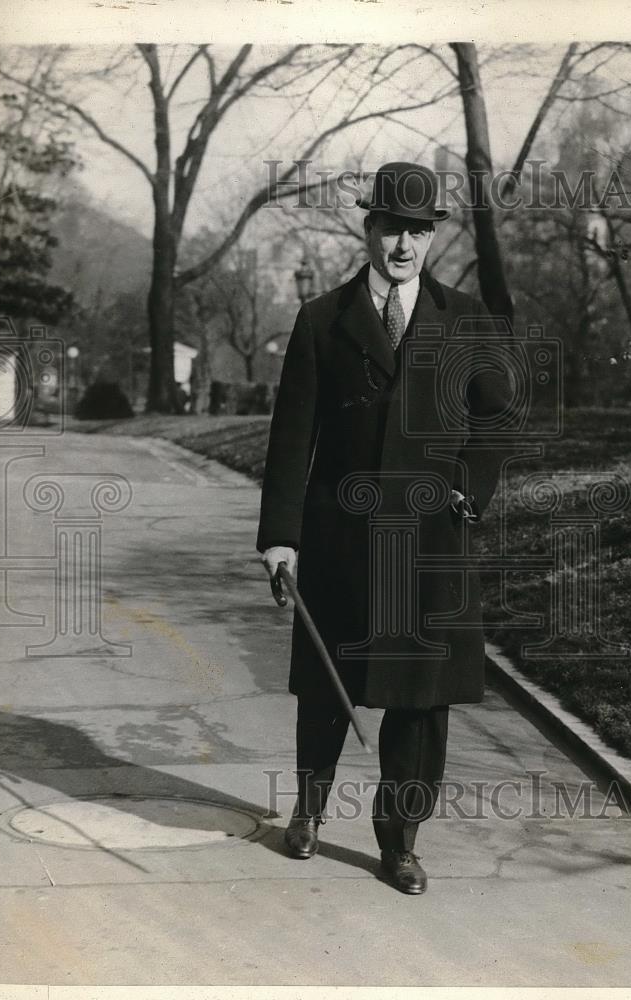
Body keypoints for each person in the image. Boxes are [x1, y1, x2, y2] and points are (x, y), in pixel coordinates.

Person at [257, 161, 512, 895]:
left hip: (431, 544)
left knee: (419, 702)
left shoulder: (465, 321)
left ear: (432, 237)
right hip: (340, 537)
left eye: (418, 231)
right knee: (327, 688)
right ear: (368, 229)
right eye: (391, 227)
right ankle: (307, 810)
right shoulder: (320, 321)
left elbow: (496, 417)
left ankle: (399, 841)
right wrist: (281, 536)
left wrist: (468, 484)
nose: (403, 244)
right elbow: (289, 438)